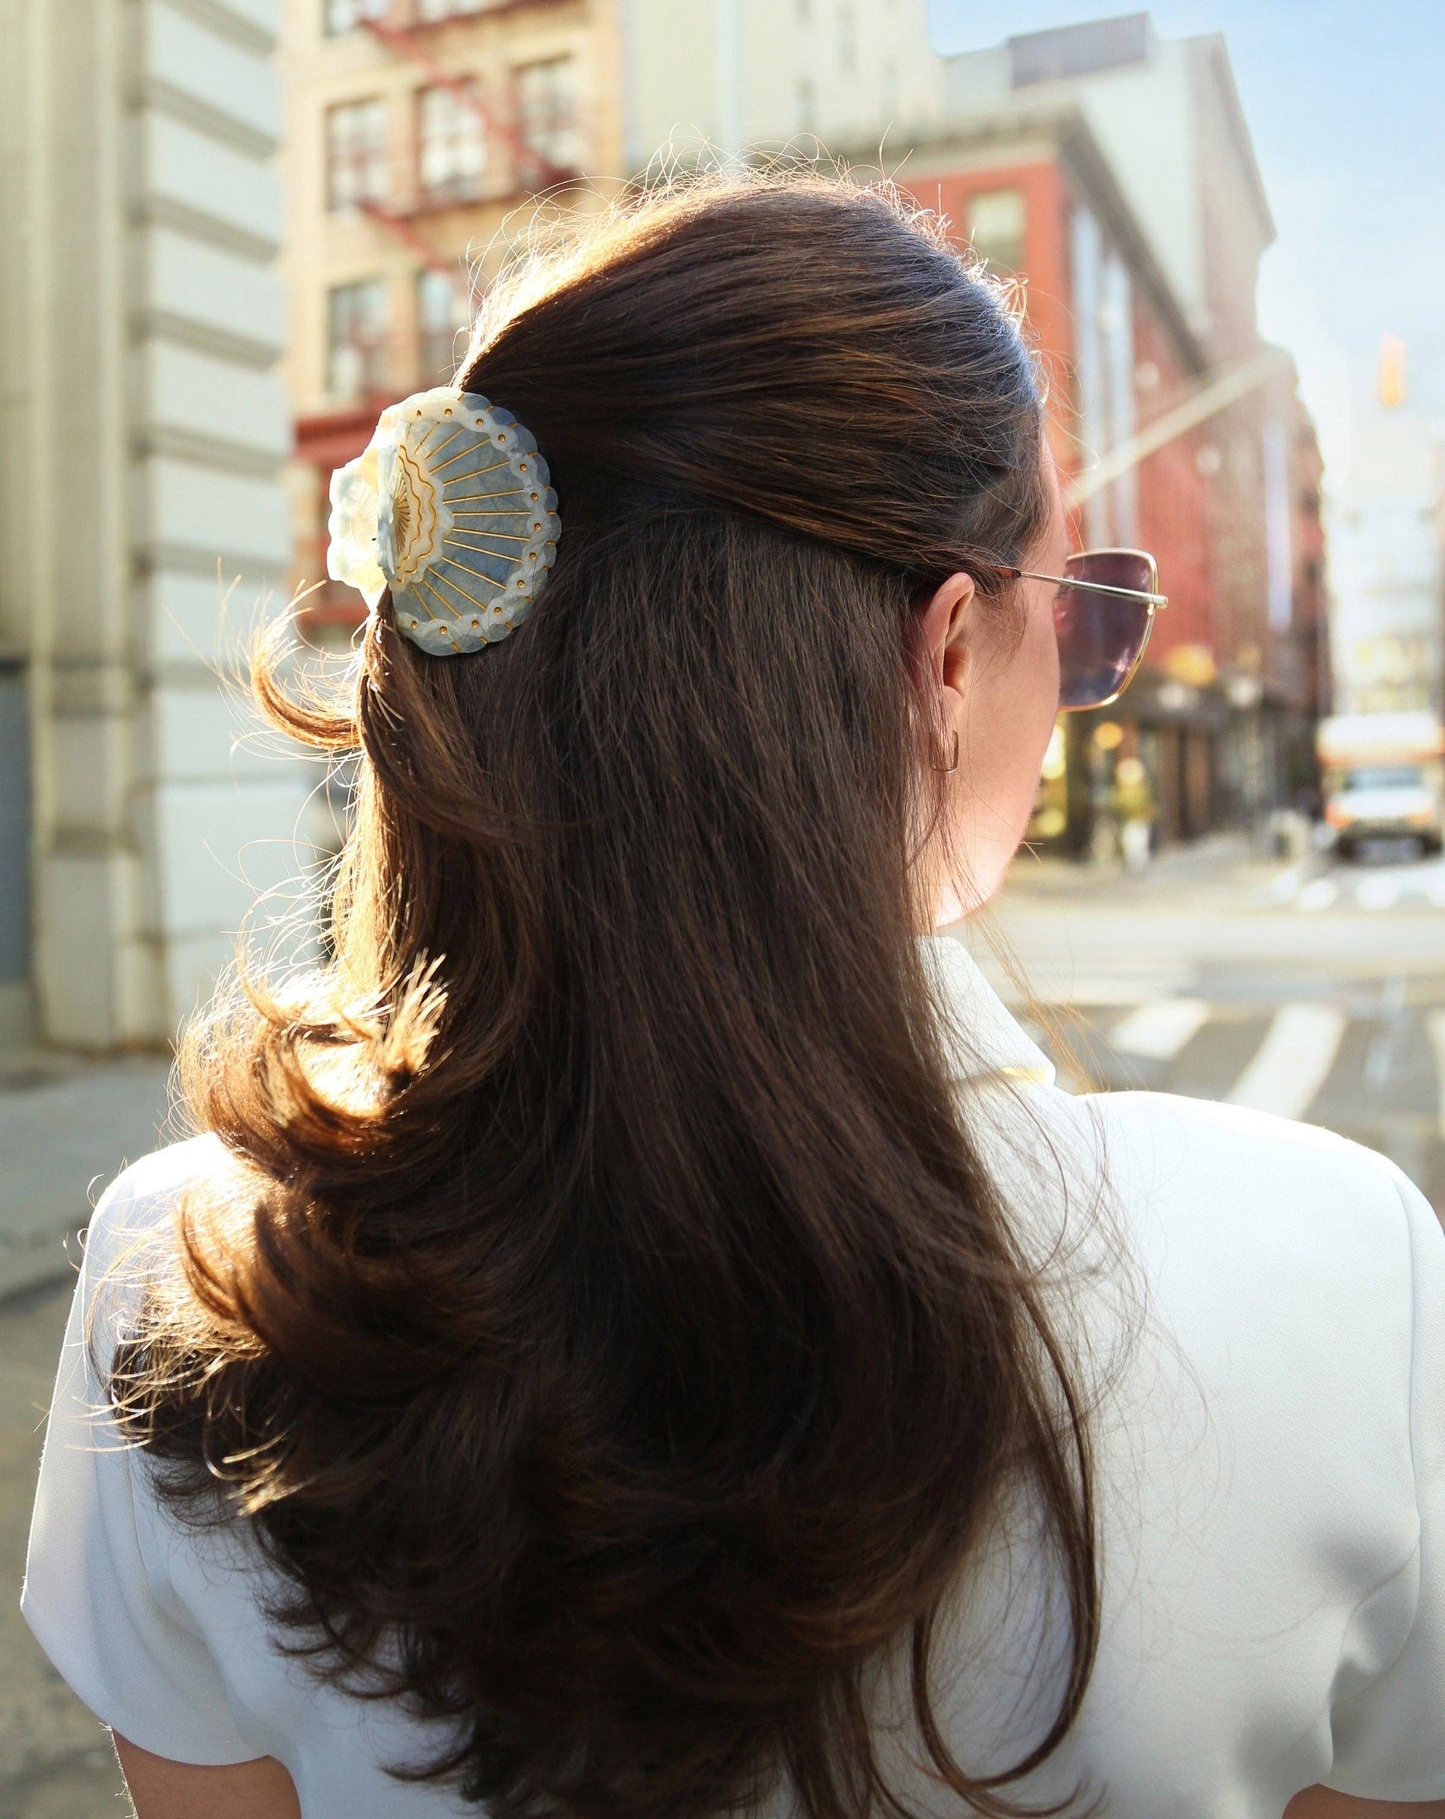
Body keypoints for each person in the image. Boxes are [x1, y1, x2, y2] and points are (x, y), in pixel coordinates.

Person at [22, 175, 1445, 1819]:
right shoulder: (1344, 1273)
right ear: (947, 652)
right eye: (1075, 621)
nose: (1074, 687)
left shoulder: (184, 1272)